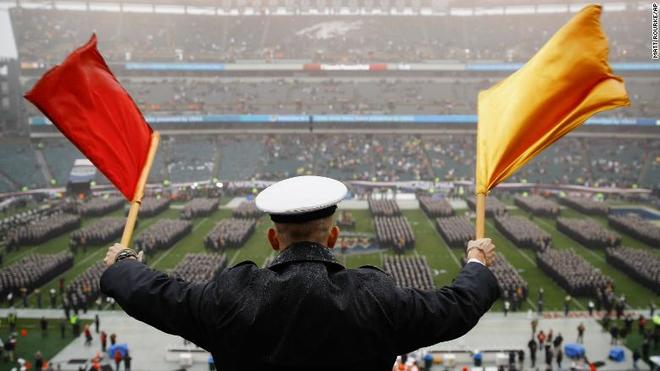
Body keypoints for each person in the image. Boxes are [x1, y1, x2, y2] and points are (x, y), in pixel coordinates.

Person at [100, 176, 500, 371]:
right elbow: (456, 308)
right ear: (335, 237)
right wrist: (476, 262)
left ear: (273, 238)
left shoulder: (232, 295)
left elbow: (157, 296)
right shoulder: (374, 296)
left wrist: (123, 264)